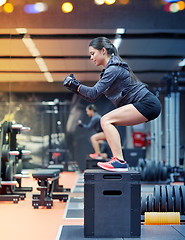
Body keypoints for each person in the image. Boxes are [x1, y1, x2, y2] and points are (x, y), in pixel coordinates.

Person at [63, 37, 161, 172]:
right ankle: (116, 159)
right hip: (146, 105)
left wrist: (75, 85)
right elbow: (92, 97)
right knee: (108, 122)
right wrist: (75, 87)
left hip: (147, 103)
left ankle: (119, 161)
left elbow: (93, 92)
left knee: (106, 120)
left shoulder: (113, 69)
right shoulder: (110, 70)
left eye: (93, 53)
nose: (91, 58)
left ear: (103, 51)